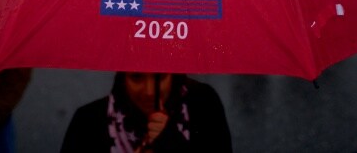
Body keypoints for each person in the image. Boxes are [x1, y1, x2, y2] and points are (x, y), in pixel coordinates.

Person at [60, 72, 232, 152]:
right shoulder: (87, 122)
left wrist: (171, 143)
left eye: (160, 76)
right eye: (136, 77)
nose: (149, 91)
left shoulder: (203, 103)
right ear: (122, 78)